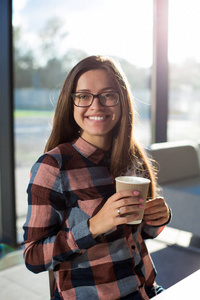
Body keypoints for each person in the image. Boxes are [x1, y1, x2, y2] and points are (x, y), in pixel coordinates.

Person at [23, 55, 171, 300]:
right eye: (83, 96)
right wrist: (93, 227)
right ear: (71, 103)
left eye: (108, 95)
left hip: (148, 289)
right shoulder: (53, 166)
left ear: (121, 101)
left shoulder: (132, 156)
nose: (96, 106)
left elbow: (139, 235)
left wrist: (158, 219)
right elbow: (33, 257)